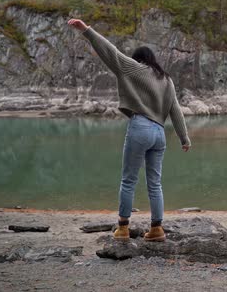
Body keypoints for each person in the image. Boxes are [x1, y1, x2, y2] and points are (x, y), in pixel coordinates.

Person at [67, 19, 191, 242]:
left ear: (138, 60)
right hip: (159, 133)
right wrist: (184, 138)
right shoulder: (167, 80)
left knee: (128, 180)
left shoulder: (133, 68)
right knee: (155, 183)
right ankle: (156, 229)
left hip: (141, 126)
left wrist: (86, 31)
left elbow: (110, 52)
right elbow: (176, 110)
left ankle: (123, 228)